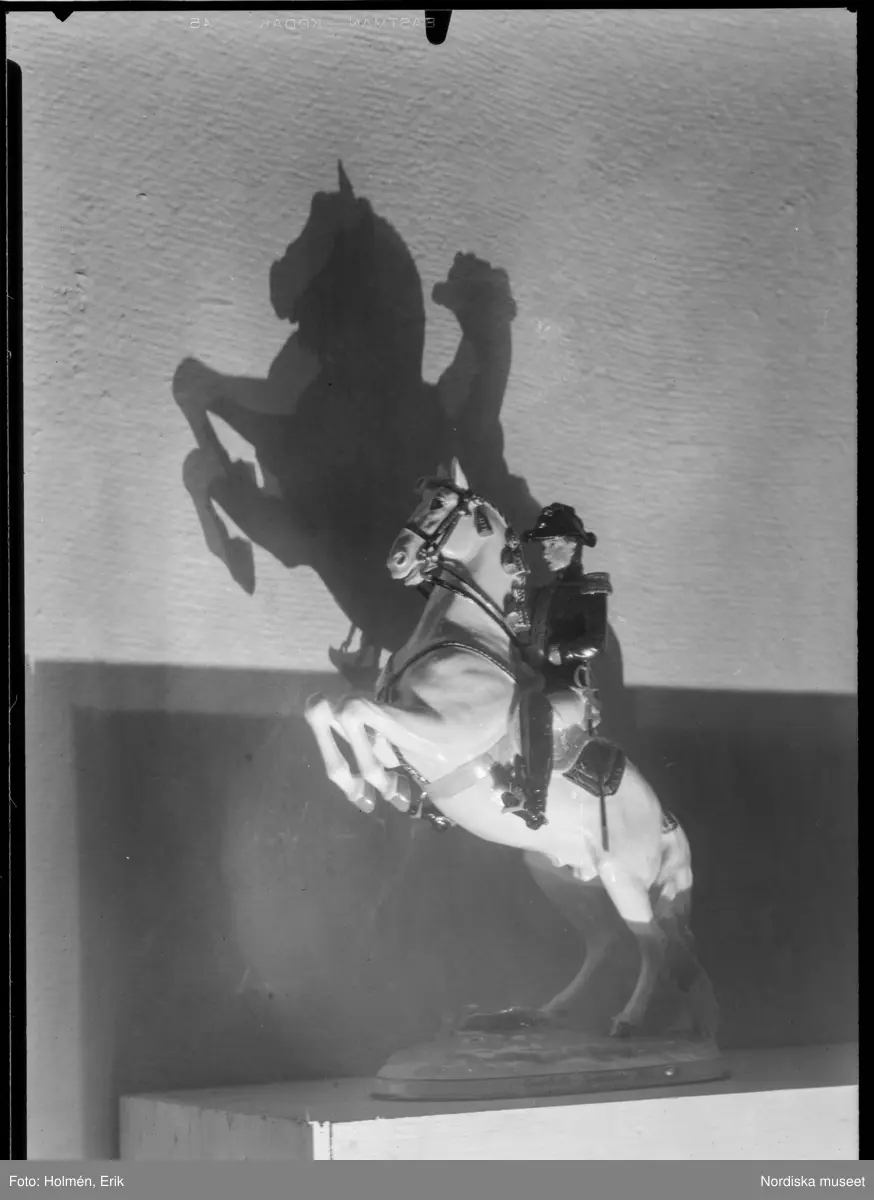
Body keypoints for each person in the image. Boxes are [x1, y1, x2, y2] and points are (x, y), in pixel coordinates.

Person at [501, 503, 612, 828]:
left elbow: (595, 642)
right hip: (535, 678)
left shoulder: (590, 588)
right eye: (544, 545)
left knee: (538, 706)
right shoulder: (541, 594)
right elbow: (529, 636)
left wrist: (561, 652)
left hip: (570, 689)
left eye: (553, 544)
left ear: (573, 545)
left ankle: (535, 799)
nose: (546, 552)